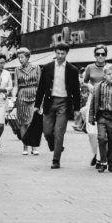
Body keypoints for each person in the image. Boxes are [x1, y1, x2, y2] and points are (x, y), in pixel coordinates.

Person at [33, 39, 82, 169]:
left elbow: (76, 90)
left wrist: (77, 108)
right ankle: (55, 146)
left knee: (59, 132)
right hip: (50, 101)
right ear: (55, 52)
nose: (60, 56)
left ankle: (56, 160)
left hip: (64, 103)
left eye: (63, 54)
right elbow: (41, 87)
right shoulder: (48, 67)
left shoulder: (72, 70)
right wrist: (37, 105)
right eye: (58, 53)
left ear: (66, 54)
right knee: (47, 131)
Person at [88, 61, 112, 172]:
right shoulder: (99, 87)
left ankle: (111, 163)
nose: (111, 76)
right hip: (102, 116)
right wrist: (91, 117)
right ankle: (103, 161)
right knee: (101, 138)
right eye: (109, 74)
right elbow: (93, 103)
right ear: (104, 75)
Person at [80, 45, 109, 167]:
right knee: (91, 131)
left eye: (103, 54)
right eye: (98, 54)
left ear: (106, 55)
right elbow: (83, 81)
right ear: (95, 55)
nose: (100, 56)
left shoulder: (109, 68)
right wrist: (88, 86)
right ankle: (96, 153)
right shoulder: (90, 67)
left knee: (103, 132)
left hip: (106, 99)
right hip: (92, 100)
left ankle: (99, 158)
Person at [13, 47, 40, 155]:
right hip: (22, 95)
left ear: (28, 57)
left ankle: (34, 147)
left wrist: (40, 98)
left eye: (22, 57)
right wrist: (14, 96)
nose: (20, 59)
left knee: (33, 122)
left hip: (34, 95)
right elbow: (16, 85)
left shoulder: (36, 68)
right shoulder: (17, 69)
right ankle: (25, 147)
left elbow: (39, 83)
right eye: (19, 58)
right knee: (23, 123)